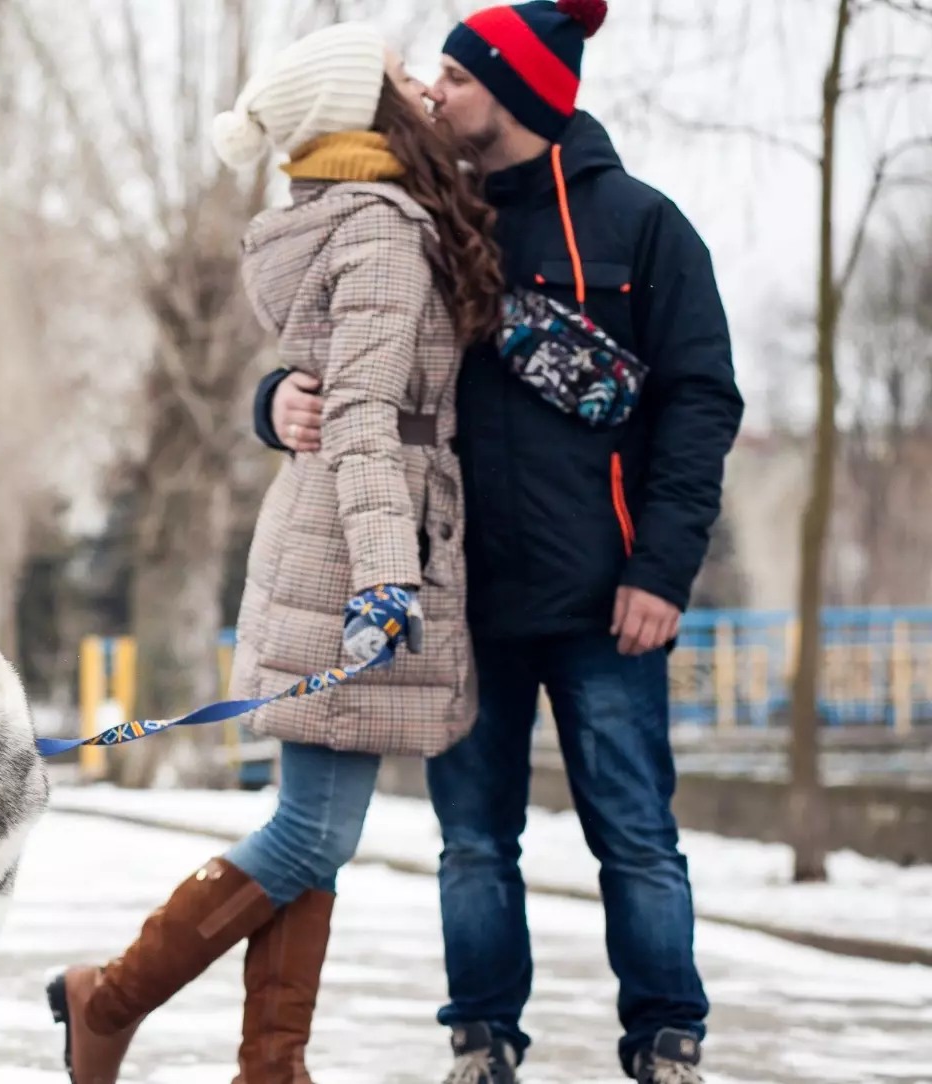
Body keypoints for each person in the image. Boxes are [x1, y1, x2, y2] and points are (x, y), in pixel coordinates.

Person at [269, 3, 745, 1082]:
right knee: (474, 846)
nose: (435, 93)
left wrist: (661, 569)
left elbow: (702, 402)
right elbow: (330, 345)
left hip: (605, 603)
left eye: (457, 76)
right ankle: (481, 1041)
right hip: (457, 603)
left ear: (520, 95)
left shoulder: (643, 227)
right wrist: (275, 400)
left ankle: (668, 1039)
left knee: (635, 837)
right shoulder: (412, 218)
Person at [46, 21, 504, 1084]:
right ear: (369, 113)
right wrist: (390, 575)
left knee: (316, 829)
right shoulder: (386, 230)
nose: (425, 92)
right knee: (308, 832)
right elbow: (360, 419)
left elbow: (335, 401)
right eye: (404, 79)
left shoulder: (348, 214)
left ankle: (269, 1066)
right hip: (356, 548)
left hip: (336, 535)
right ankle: (106, 1002)